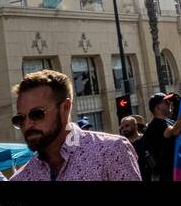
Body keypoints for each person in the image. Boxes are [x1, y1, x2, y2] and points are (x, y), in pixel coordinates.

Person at [11, 70, 141, 180]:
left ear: (65, 108)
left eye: (36, 114)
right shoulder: (22, 178)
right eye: (20, 119)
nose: (27, 124)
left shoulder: (110, 152)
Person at [141, 92, 181, 181]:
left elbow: (180, 127)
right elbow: (175, 131)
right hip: (166, 174)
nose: (170, 104)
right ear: (158, 107)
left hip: (176, 171)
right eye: (167, 102)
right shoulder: (155, 125)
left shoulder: (167, 121)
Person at [118, 114, 152, 182]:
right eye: (122, 128)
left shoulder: (146, 139)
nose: (124, 129)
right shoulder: (121, 144)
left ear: (135, 126)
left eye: (127, 126)